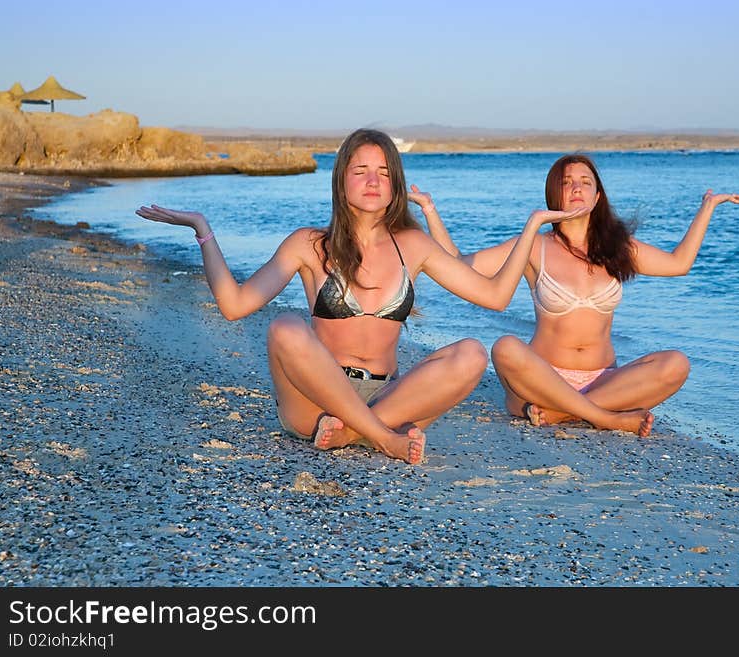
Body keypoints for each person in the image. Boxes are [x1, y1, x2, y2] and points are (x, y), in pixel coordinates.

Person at [135, 129, 604, 465]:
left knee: (471, 354)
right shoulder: (308, 244)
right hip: (313, 399)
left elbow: (496, 296)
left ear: (395, 185)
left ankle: (355, 432)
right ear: (341, 180)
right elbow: (234, 305)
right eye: (361, 170)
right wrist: (203, 230)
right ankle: (380, 437)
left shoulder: (413, 245)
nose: (373, 179)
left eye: (383, 171)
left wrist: (533, 225)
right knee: (285, 326)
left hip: (387, 393)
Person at [417, 153, 739, 437]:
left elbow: (679, 264)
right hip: (541, 382)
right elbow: (461, 264)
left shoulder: (619, 248)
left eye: (585, 182)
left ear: (598, 196)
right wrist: (430, 210)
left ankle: (565, 414)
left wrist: (708, 208)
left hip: (605, 380)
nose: (576, 187)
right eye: (567, 182)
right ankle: (602, 417)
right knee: (505, 348)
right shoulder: (534, 245)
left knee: (676, 363)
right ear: (553, 195)